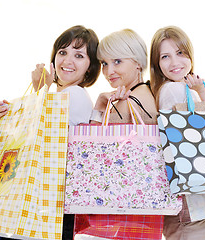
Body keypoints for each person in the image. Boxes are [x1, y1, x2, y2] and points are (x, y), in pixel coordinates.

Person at [0, 25, 101, 240]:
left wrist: (40, 91)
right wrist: (6, 114)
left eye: (79, 55)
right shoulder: (61, 94)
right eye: (63, 52)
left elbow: (43, 142)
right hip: (47, 204)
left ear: (90, 66)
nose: (67, 61)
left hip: (54, 206)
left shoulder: (74, 94)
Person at [73, 29, 161, 240]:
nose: (108, 70)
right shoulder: (145, 92)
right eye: (104, 63)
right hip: (137, 212)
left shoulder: (129, 103)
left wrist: (99, 106)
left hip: (119, 217)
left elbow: (88, 152)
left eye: (117, 61)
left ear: (138, 63)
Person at [150, 26, 205, 240]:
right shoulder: (174, 89)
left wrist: (199, 91)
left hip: (188, 197)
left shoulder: (176, 88)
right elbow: (204, 133)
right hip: (190, 197)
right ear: (157, 64)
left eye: (180, 53)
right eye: (165, 57)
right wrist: (202, 91)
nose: (175, 62)